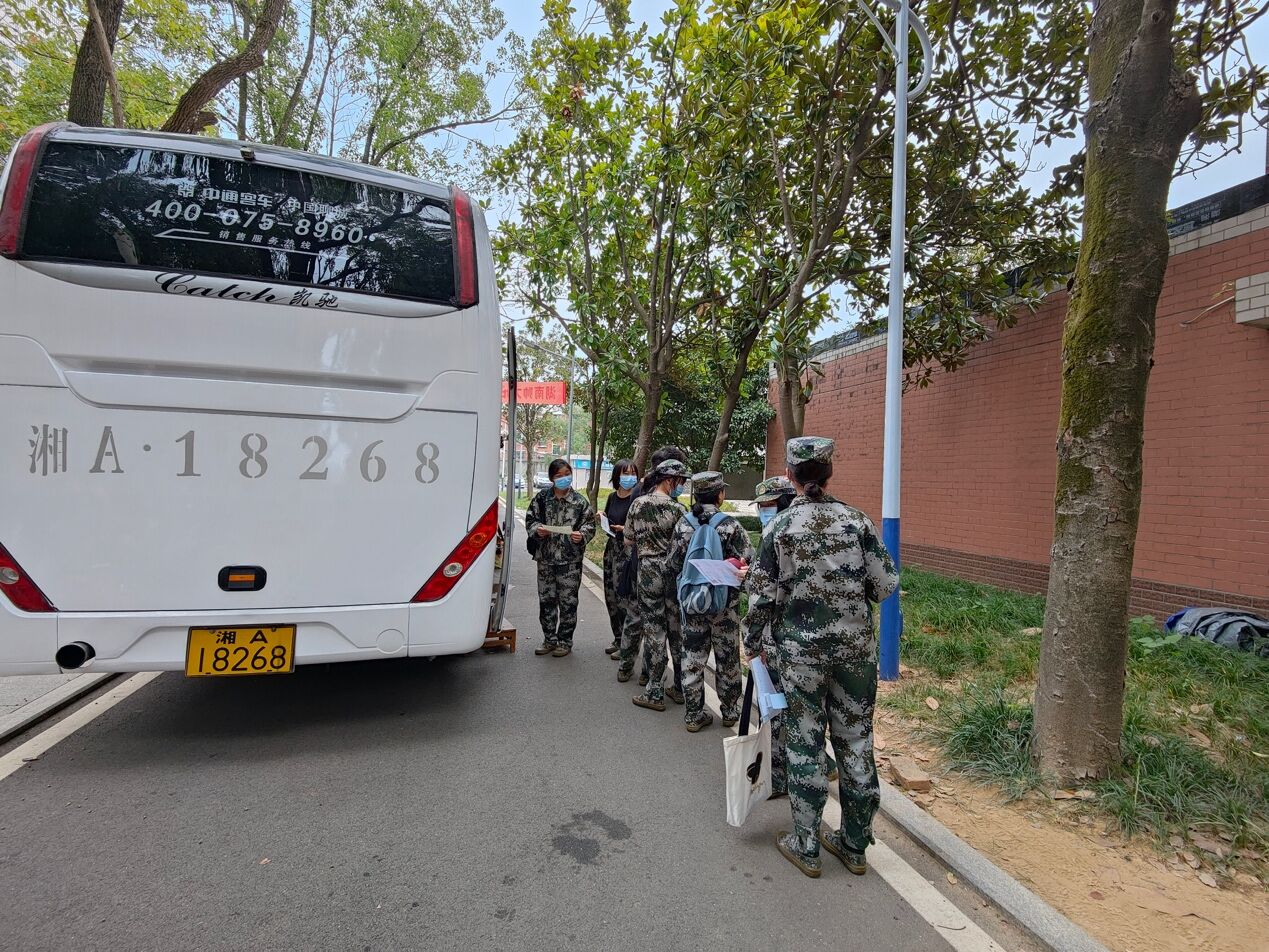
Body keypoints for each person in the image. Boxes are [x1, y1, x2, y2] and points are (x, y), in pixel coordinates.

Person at [743, 437, 898, 879]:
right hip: (855, 654)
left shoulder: (779, 528)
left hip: (800, 657)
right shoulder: (858, 522)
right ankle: (854, 845)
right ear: (829, 474)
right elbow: (885, 586)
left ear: (790, 476)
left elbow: (761, 597)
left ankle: (807, 844)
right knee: (856, 741)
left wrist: (751, 640)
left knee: (805, 742)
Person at [666, 471, 752, 732]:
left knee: (692, 657)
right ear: (720, 495)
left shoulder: (683, 525)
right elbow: (748, 561)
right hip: (725, 604)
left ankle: (694, 715)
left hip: (692, 604)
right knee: (727, 659)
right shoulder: (731, 526)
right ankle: (730, 711)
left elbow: (672, 563)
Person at [616, 445, 688, 698]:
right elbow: (685, 546)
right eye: (680, 481)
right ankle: (680, 688)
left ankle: (654, 690)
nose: (681, 486)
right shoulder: (679, 510)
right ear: (669, 480)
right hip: (673, 573)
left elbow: (628, 539)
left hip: (647, 573)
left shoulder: (638, 504)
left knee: (654, 630)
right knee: (676, 630)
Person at [525, 458, 596, 657]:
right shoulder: (541, 499)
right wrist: (537, 530)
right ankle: (549, 639)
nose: (564, 478)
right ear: (551, 478)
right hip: (546, 559)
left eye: (567, 474)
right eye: (559, 475)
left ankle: (565, 641)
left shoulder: (580, 502)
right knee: (546, 601)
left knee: (568, 603)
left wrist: (582, 535)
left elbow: (590, 525)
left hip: (570, 562)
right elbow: (530, 519)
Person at [602, 460, 640, 657]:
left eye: (633, 473)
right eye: (626, 473)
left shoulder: (638, 499)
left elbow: (641, 528)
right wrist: (603, 520)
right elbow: (609, 519)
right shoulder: (612, 497)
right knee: (611, 598)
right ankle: (617, 639)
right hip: (612, 550)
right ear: (617, 476)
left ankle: (628, 644)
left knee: (625, 598)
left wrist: (624, 529)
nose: (630, 477)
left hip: (628, 552)